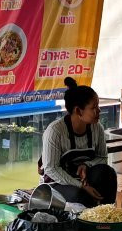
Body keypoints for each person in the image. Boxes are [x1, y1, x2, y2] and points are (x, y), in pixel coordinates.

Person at [40, 77, 117, 207]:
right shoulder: (55, 131)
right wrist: (81, 186)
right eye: (94, 107)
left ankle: (106, 214)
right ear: (78, 111)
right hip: (57, 183)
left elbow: (102, 157)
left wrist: (87, 165)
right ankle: (87, 221)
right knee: (80, 196)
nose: (99, 111)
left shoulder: (96, 127)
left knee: (108, 174)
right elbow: (51, 169)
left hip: (84, 179)